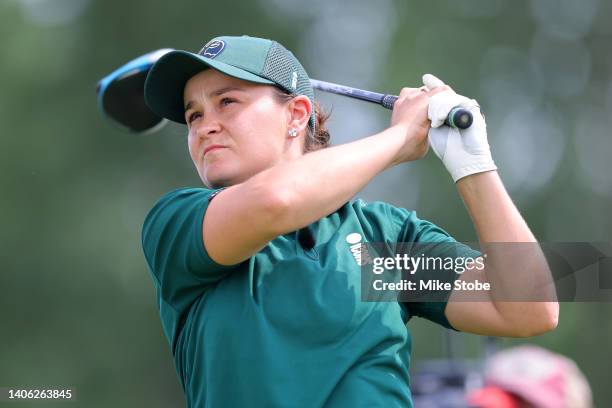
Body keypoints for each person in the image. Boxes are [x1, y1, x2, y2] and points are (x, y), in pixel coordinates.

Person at [140, 35, 559, 407]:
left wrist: (474, 164)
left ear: (296, 114)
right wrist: (399, 139)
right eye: (193, 115)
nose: (205, 127)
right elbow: (277, 199)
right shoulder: (177, 221)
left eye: (227, 102)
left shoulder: (385, 241)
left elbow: (530, 308)